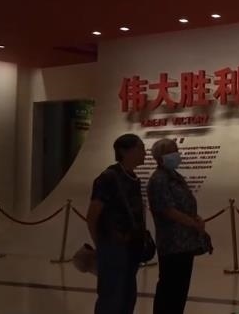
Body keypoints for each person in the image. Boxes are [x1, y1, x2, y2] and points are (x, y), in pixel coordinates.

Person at [147, 138, 212, 314]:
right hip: (172, 244)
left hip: (185, 243)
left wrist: (196, 219)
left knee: (180, 290)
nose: (176, 154)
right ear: (160, 156)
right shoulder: (159, 180)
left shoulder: (174, 177)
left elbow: (184, 204)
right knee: (169, 289)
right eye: (172, 151)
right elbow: (167, 210)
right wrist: (193, 223)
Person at [87, 134, 148, 314]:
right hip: (114, 247)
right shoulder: (108, 178)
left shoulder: (133, 178)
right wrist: (102, 244)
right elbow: (92, 215)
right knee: (111, 296)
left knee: (127, 297)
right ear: (124, 151)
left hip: (131, 248)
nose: (145, 153)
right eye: (140, 148)